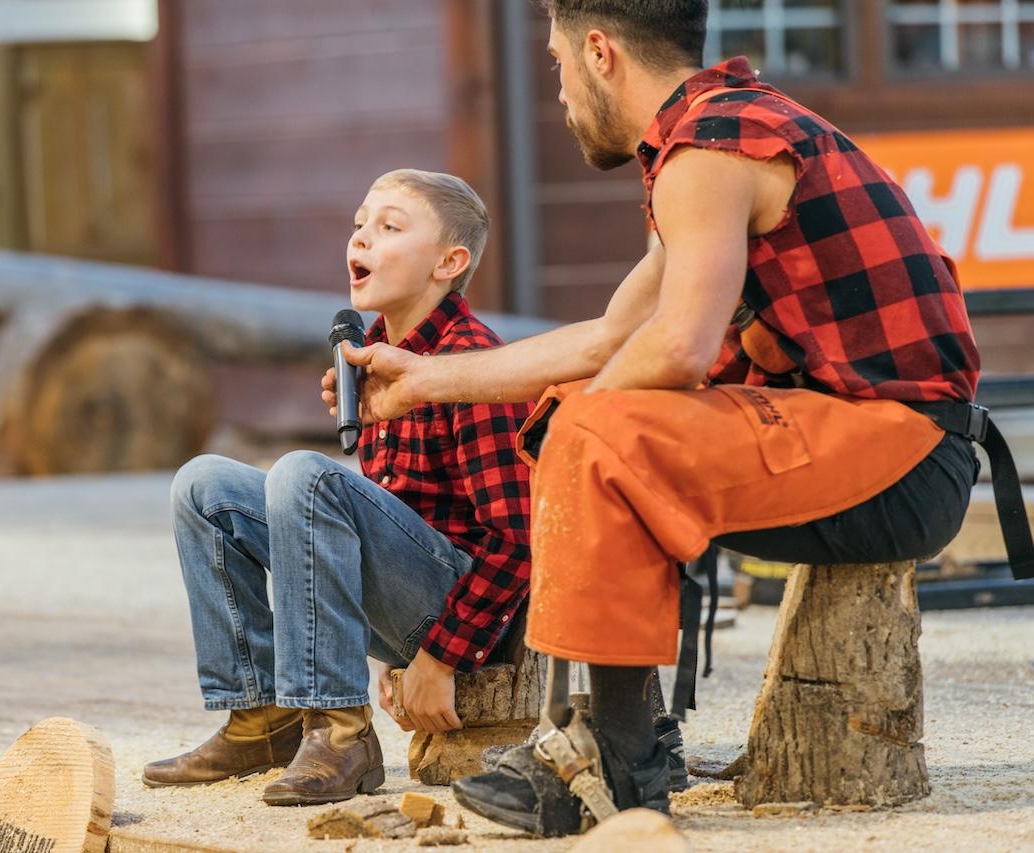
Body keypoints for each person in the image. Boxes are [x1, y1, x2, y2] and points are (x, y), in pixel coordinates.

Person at [324, 0, 988, 836]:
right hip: (863, 432)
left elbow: (676, 349)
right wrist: (423, 380)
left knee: (597, 435)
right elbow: (609, 338)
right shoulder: (715, 133)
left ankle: (614, 763)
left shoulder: (711, 149)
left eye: (561, 66)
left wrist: (575, 434)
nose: (559, 94)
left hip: (909, 455)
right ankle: (631, 736)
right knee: (578, 420)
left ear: (601, 52)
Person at [142, 169, 535, 806]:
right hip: (411, 607)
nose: (361, 240)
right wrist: (388, 658)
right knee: (204, 485)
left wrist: (437, 659)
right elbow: (394, 520)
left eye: (388, 227)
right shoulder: (370, 356)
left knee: (305, 474)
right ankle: (261, 719)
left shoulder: (473, 366)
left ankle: (341, 731)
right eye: (358, 225)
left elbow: (519, 541)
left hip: (470, 621)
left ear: (449, 262)